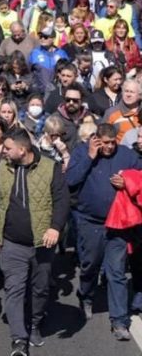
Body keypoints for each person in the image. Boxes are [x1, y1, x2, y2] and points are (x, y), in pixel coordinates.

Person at [0, 129, 70, 356]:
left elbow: (62, 202)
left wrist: (55, 227)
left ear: (22, 150)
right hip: (12, 243)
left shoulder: (50, 168)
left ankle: (34, 323)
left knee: (40, 289)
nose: (3, 151)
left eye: (7, 148)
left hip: (41, 243)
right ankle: (19, 339)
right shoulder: (2, 169)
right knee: (13, 289)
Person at [65, 123, 142, 341]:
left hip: (117, 223)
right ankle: (86, 293)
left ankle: (119, 321)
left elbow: (140, 176)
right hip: (90, 221)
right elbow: (70, 180)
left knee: (115, 272)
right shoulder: (82, 151)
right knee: (90, 263)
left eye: (112, 143)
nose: (109, 147)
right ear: (96, 139)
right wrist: (90, 156)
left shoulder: (126, 155)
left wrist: (127, 181)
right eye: (104, 143)